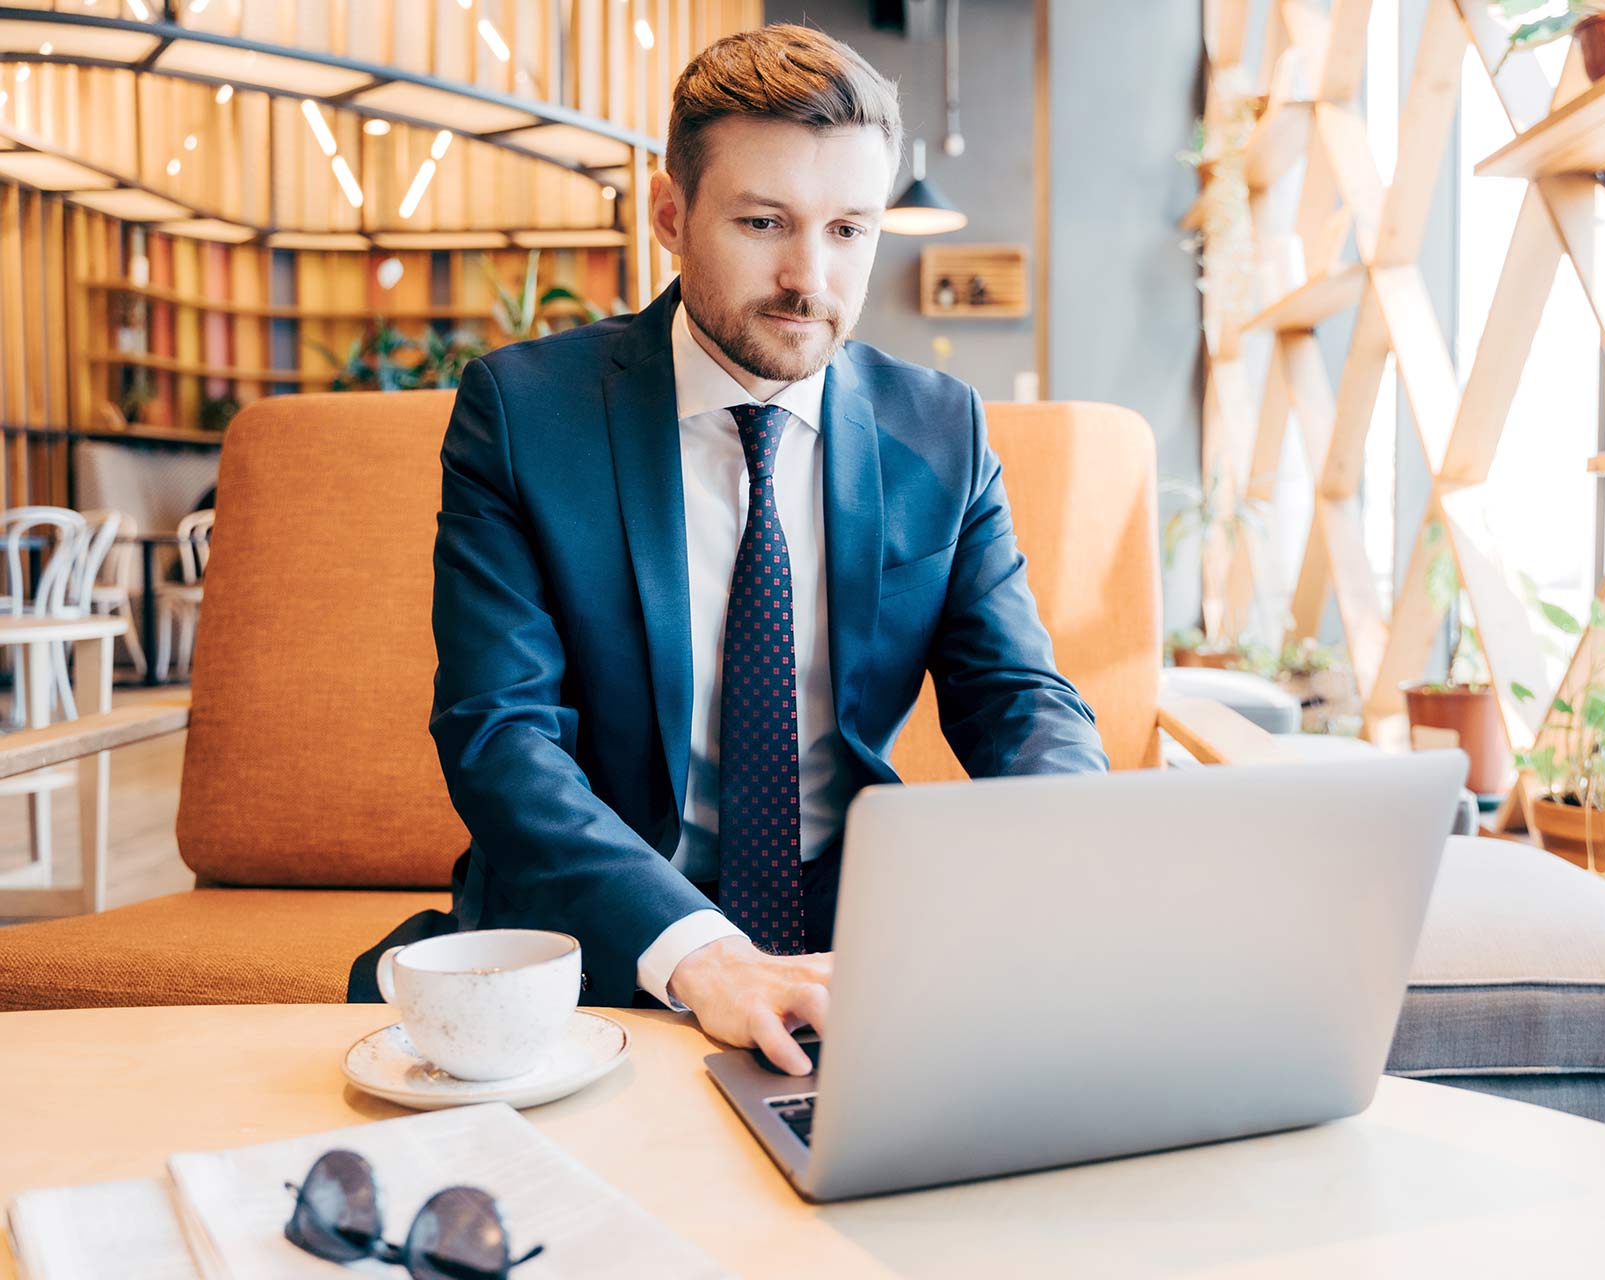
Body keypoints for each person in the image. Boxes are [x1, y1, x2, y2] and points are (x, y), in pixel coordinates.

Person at [352, 24, 1107, 1075]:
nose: (810, 278)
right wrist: (705, 956)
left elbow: (1018, 696)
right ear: (671, 214)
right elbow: (500, 733)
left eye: (848, 229)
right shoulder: (524, 414)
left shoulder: (941, 428)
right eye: (764, 222)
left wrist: (1074, 848)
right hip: (603, 940)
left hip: (851, 945)